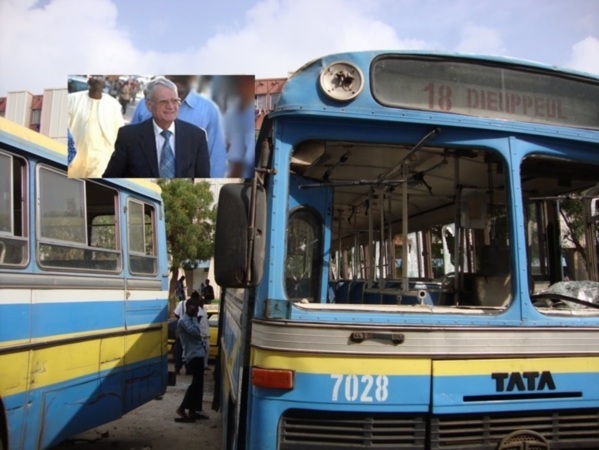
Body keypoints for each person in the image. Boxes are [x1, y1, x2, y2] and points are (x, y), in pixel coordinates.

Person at [102, 76, 210, 178]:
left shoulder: (197, 137)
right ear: (149, 105)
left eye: (175, 101)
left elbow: (203, 179)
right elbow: (111, 177)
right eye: (164, 102)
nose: (171, 107)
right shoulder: (129, 137)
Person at [130, 75, 227, 178]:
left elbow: (217, 160)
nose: (179, 77)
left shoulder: (209, 111)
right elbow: (130, 147)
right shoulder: (144, 105)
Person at [68, 75, 124, 178]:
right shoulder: (72, 100)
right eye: (94, 76)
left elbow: (121, 134)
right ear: (89, 80)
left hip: (101, 160)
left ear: (105, 82)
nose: (97, 80)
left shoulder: (113, 105)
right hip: (76, 158)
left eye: (100, 77)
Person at [175, 292, 209, 421]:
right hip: (192, 355)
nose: (196, 310)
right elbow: (195, 333)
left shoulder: (189, 319)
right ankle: (182, 408)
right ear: (190, 308)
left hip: (198, 353)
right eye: (194, 308)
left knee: (199, 384)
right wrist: (195, 318)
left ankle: (193, 411)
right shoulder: (184, 321)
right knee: (195, 383)